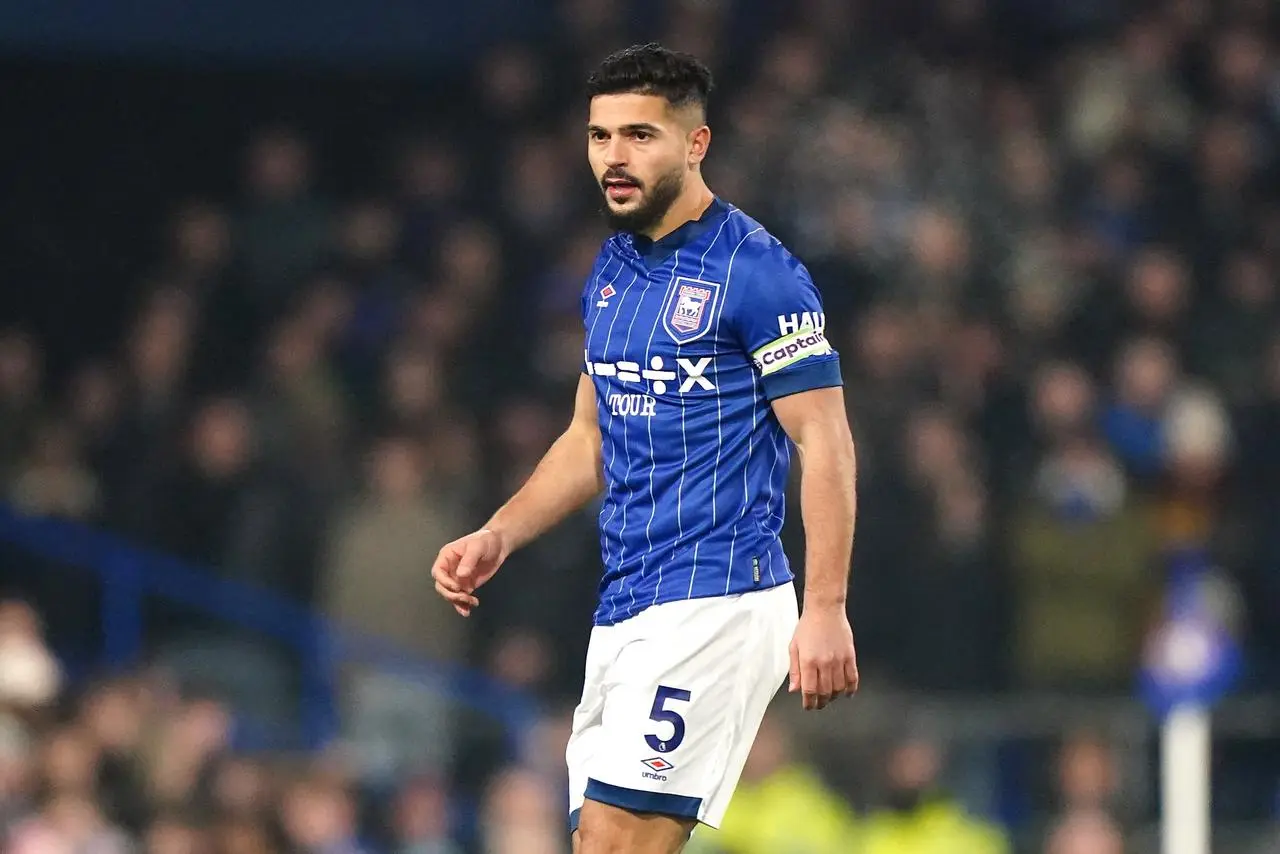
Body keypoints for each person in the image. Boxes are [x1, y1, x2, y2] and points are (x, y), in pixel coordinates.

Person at [432, 43, 859, 854]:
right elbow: (588, 437)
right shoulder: (613, 268)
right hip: (629, 600)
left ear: (695, 145)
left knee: (619, 845)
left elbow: (825, 437)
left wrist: (827, 608)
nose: (613, 159)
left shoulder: (758, 272)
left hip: (718, 595)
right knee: (600, 843)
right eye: (600, 137)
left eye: (639, 136)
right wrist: (500, 532)